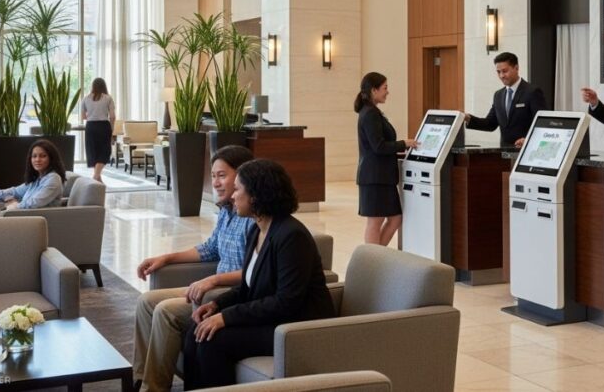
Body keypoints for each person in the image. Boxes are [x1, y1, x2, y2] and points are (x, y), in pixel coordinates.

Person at [181, 159, 335, 389]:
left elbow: (287, 302)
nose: (232, 196)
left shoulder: (292, 236)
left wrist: (226, 317)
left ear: (256, 195)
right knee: (196, 328)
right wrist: (216, 305)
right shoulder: (257, 229)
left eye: (238, 190)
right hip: (273, 319)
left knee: (213, 340)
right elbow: (248, 287)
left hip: (295, 326)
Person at [132, 145, 255, 392]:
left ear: (242, 177)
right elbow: (210, 249)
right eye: (213, 176)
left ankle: (153, 388)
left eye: (222, 175)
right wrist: (166, 258)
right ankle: (139, 380)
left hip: (231, 291)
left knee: (166, 311)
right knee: (146, 301)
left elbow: (256, 271)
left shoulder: (252, 216)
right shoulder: (226, 211)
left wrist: (214, 279)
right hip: (215, 287)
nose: (216, 182)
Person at [355, 72, 417, 246]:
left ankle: (376, 260)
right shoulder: (370, 113)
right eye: (385, 88)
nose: (387, 92)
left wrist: (399, 150)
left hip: (381, 177)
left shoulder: (372, 112)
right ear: (374, 90)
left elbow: (378, 147)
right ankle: (372, 262)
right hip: (375, 177)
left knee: (395, 219)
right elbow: (378, 146)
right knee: (375, 222)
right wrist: (403, 143)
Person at [465, 52, 547, 147]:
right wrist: (468, 118)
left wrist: (529, 139)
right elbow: (490, 124)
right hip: (504, 154)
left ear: (516, 68)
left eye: (505, 71)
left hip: (527, 150)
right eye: (498, 72)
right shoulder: (498, 95)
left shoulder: (532, 92)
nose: (501, 76)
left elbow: (542, 122)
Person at [0, 139, 65, 209]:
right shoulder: (37, 179)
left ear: (51, 158)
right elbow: (15, 191)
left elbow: (33, 203)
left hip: (38, 221)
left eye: (43, 156)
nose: (37, 160)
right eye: (34, 156)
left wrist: (13, 205)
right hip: (24, 216)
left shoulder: (53, 179)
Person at [81, 77, 116, 183]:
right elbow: (112, 116)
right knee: (105, 151)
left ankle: (98, 181)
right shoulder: (108, 98)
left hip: (90, 126)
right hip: (103, 126)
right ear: (104, 86)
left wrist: (92, 117)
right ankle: (96, 177)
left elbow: (83, 116)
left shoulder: (85, 98)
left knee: (93, 151)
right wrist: (111, 129)